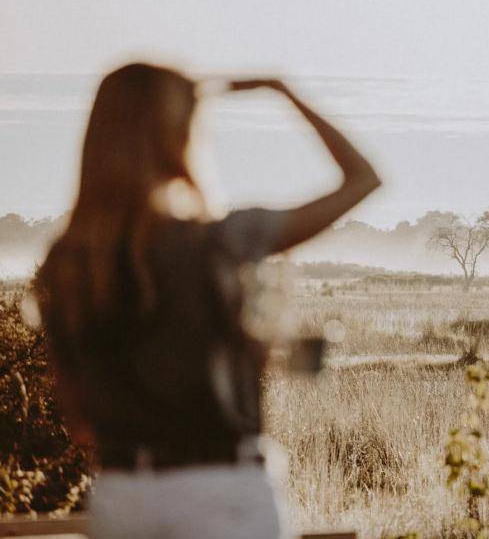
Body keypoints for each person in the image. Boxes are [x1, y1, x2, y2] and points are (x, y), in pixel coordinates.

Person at [33, 63, 381, 538]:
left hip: (122, 496)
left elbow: (79, 420)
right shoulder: (216, 241)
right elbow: (362, 179)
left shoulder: (66, 263)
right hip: (221, 493)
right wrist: (284, 91)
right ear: (178, 138)